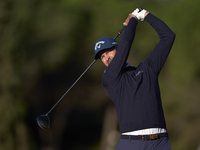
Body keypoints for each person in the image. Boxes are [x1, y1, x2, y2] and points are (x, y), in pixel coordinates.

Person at [93, 8, 176, 150]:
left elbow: (168, 36)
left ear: (117, 50)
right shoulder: (109, 79)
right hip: (131, 143)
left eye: (108, 52)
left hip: (159, 143)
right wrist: (133, 20)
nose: (106, 58)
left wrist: (145, 15)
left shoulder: (147, 69)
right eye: (102, 56)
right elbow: (126, 44)